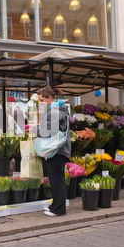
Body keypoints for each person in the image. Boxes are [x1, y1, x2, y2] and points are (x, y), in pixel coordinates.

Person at [32, 86, 71, 217]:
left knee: (57, 180)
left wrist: (32, 130)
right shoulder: (55, 109)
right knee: (56, 179)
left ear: (50, 98)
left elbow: (47, 131)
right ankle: (55, 205)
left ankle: (59, 209)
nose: (41, 103)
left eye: (42, 100)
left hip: (58, 150)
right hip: (57, 150)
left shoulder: (55, 111)